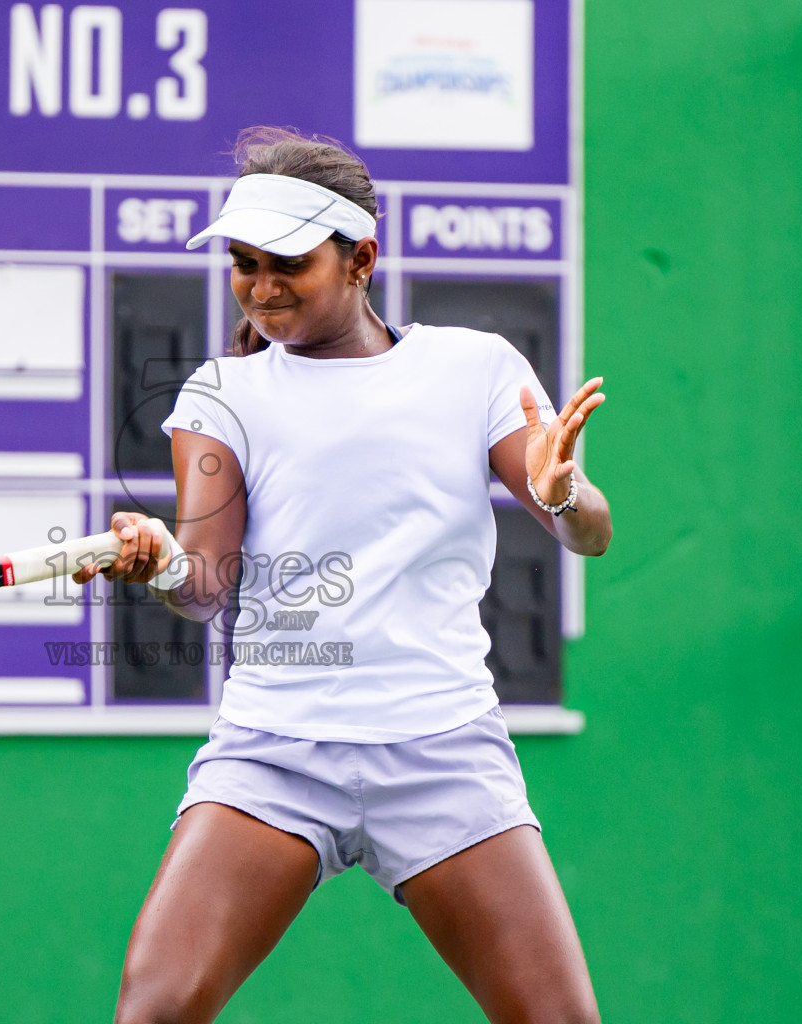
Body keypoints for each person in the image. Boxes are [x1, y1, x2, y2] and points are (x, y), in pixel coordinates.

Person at [74, 127, 612, 1024]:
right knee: (154, 1010)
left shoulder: (475, 369)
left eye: (288, 263)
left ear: (361, 258)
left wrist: (565, 494)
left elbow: (589, 536)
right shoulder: (220, 395)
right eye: (244, 265)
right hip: (275, 751)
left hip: (443, 748)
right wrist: (161, 557)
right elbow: (205, 582)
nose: (262, 287)